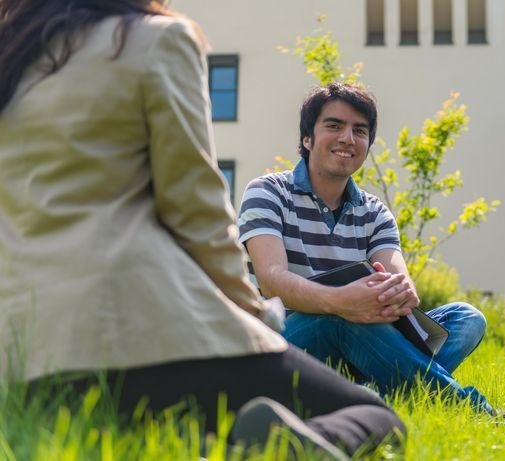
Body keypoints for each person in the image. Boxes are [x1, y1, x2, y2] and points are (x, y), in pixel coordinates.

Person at [0, 1, 405, 458]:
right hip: (137, 333)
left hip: (22, 358)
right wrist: (256, 318)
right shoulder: (153, 39)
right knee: (376, 417)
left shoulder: (13, 55)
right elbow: (196, 211)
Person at [238, 82, 496, 413]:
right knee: (339, 316)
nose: (348, 138)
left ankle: (371, 393)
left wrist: (395, 292)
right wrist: (340, 301)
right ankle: (465, 407)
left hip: (363, 336)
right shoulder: (268, 192)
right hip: (284, 342)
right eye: (334, 125)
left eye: (360, 131)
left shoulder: (374, 212)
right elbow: (272, 280)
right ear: (307, 138)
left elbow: (397, 277)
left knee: (466, 318)